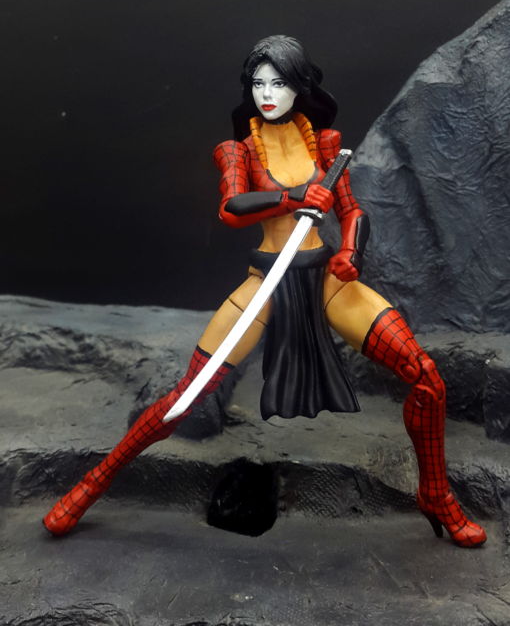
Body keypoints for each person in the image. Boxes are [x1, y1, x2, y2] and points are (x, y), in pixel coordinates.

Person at [43, 35, 486, 547]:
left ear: (300, 86)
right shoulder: (238, 151)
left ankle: (436, 493)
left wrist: (351, 251)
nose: (267, 93)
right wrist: (294, 196)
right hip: (266, 285)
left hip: (326, 281)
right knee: (187, 395)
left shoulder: (325, 144)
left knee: (426, 377)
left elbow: (353, 212)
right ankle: (94, 483)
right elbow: (232, 208)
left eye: (278, 82)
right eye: (258, 83)